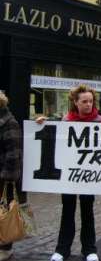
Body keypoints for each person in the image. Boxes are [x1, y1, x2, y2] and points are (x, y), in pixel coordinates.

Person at [36, 85, 101, 261]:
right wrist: (42, 123)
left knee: (88, 211)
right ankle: (62, 249)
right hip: (69, 175)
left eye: (91, 101)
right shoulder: (66, 121)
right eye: (84, 101)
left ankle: (89, 250)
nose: (89, 105)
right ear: (75, 102)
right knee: (68, 211)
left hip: (89, 176)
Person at [0, 92, 25, 261]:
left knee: (5, 213)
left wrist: (8, 178)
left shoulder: (9, 123)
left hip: (3, 178)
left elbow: (13, 153)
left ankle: (5, 248)